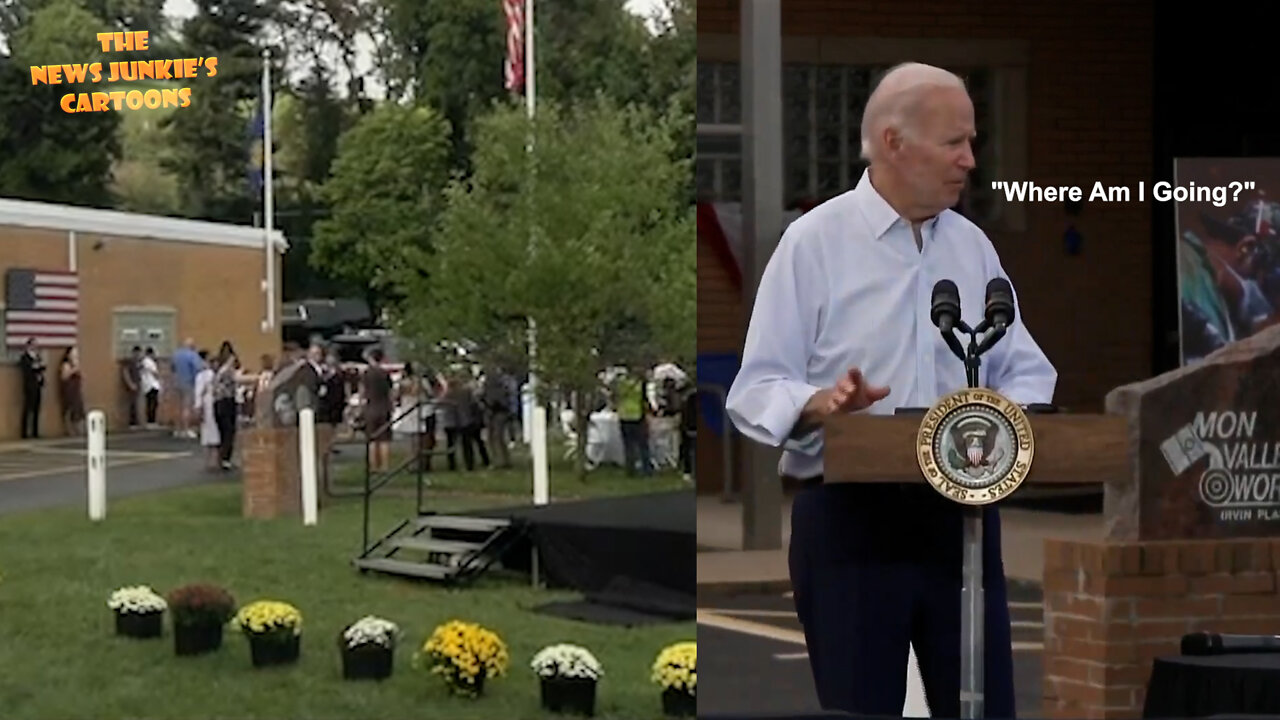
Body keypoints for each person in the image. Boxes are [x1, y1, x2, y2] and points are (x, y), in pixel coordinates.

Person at [724, 62, 1057, 719]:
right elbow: (757, 386)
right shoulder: (813, 244)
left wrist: (1002, 416)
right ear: (894, 142)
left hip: (961, 519)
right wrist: (823, 404)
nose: (970, 159)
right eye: (954, 142)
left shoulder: (972, 247)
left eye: (974, 141)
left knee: (984, 705)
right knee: (861, 707)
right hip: (852, 520)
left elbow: (1025, 367)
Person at [18, 338, 45, 439]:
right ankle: (24, 432)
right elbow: (27, 371)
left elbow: (40, 367)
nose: (35, 347)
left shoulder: (37, 357)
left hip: (37, 384)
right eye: (33, 345)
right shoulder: (25, 358)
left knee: (37, 408)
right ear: (28, 346)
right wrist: (35, 368)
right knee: (28, 408)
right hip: (29, 386)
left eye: (36, 345)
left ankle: (35, 431)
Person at [59, 346, 85, 437]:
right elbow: (64, 377)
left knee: (79, 408)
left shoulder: (76, 364)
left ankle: (79, 429)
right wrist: (73, 370)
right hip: (69, 389)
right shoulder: (66, 364)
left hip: (76, 389)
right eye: (73, 353)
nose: (75, 355)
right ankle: (69, 429)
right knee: (70, 408)